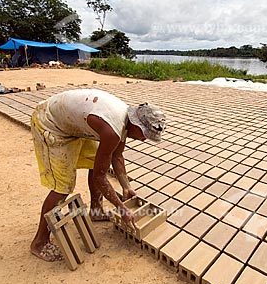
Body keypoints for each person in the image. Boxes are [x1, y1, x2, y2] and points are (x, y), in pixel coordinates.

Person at [29, 88, 166, 261]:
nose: (145, 139)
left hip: (72, 123)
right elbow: (99, 177)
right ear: (137, 125)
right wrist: (121, 208)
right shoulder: (111, 129)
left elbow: (117, 155)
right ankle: (39, 242)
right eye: (145, 135)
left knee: (98, 159)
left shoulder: (124, 121)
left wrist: (126, 186)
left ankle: (96, 210)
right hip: (50, 123)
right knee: (62, 187)